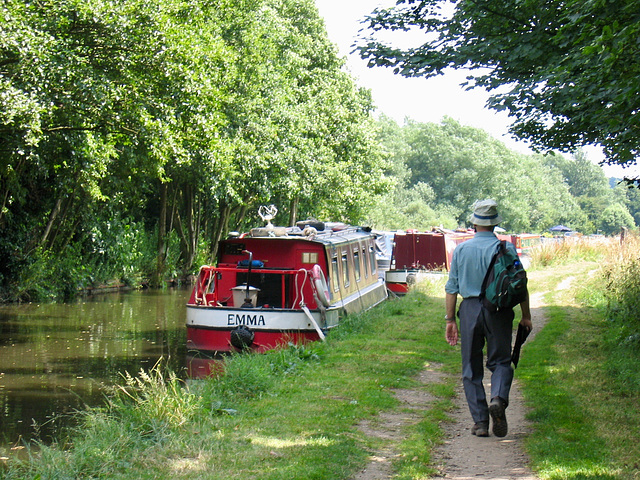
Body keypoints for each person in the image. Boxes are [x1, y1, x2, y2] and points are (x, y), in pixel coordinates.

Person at [444, 199, 532, 438]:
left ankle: (481, 422)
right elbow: (520, 283)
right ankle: (498, 399)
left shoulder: (461, 250)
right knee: (501, 362)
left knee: (471, 368)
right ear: (494, 225)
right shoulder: (506, 249)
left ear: (474, 224)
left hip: (470, 310)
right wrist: (526, 315)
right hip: (498, 312)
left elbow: (451, 288)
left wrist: (450, 320)